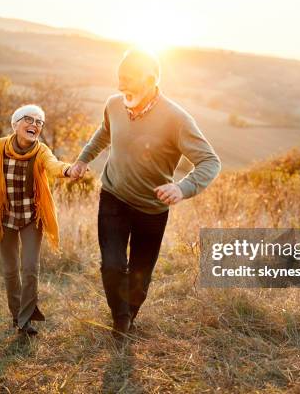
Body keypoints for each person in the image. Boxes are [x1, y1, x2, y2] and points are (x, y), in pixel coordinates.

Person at [68, 48, 221, 339]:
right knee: (112, 265)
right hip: (113, 196)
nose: (120, 85)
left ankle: (129, 313)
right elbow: (105, 131)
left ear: (151, 79)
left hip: (152, 209)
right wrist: (83, 159)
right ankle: (121, 320)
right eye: (119, 77)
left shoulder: (176, 118)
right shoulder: (114, 104)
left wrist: (181, 187)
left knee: (140, 278)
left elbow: (210, 161)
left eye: (128, 78)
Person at [0, 104, 73, 335]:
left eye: (39, 122)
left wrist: (68, 170)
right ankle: (17, 316)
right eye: (29, 119)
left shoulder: (41, 151)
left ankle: (26, 320)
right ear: (15, 124)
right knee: (11, 270)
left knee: (30, 268)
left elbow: (54, 166)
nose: (34, 124)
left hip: (31, 217)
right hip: (4, 215)